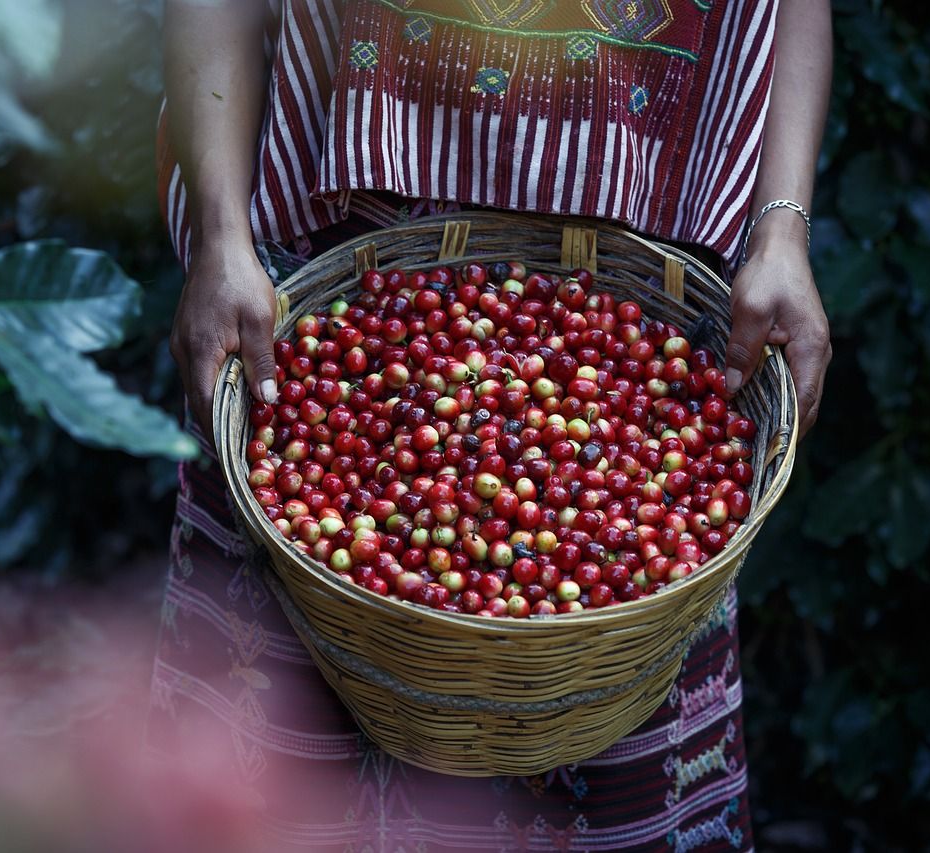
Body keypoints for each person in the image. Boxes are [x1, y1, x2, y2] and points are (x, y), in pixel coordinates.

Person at [151, 1, 832, 849]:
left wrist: (782, 233)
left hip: (633, 293)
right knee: (266, 788)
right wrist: (222, 235)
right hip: (321, 295)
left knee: (614, 696)